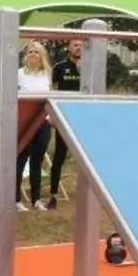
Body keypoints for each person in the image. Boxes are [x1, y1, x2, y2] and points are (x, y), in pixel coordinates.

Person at [15, 42, 54, 211]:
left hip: (42, 122)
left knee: (37, 161)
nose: (32, 55)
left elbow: (49, 97)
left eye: (36, 52)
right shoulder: (19, 74)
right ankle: (15, 199)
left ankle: (36, 199)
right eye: (30, 52)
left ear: (41, 56)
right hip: (24, 121)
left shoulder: (47, 74)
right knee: (20, 160)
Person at [46, 38, 84, 209]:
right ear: (69, 48)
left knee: (86, 156)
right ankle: (53, 194)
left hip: (84, 116)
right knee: (60, 155)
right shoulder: (61, 67)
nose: (78, 48)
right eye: (75, 45)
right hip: (65, 114)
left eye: (81, 45)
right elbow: (48, 88)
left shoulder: (90, 68)